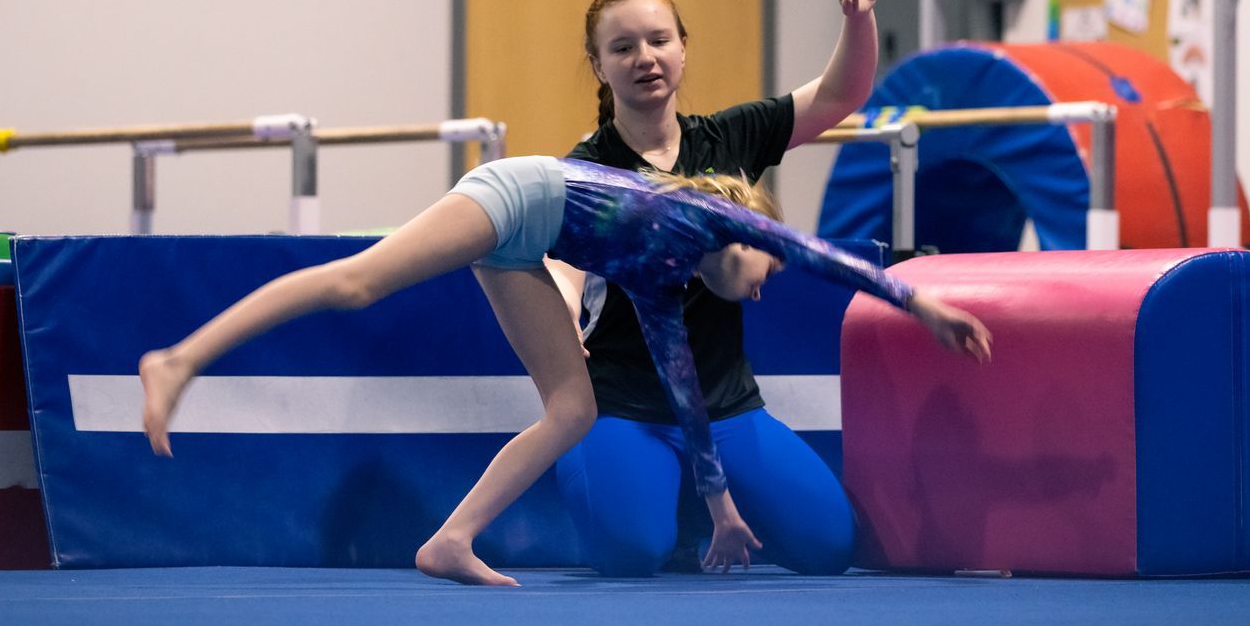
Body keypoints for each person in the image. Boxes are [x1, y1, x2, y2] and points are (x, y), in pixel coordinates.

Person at [137, 154, 990, 587]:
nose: (766, 291)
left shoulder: (663, 277)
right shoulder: (701, 215)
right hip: (514, 195)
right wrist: (920, 303)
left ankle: (449, 539)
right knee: (359, 282)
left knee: (573, 406)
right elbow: (824, 255)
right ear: (746, 233)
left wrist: (722, 504)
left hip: (527, 244)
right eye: (765, 271)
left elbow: (683, 387)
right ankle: (179, 358)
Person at [549, 0, 890, 577]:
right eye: (622, 48)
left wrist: (857, 18)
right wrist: (563, 312)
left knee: (828, 547)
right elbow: (561, 264)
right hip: (625, 407)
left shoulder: (730, 139)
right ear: (599, 66)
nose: (645, 58)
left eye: (659, 40)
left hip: (725, 406)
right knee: (634, 553)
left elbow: (842, 95)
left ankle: (696, 496)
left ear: (683, 46)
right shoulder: (587, 169)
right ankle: (624, 480)